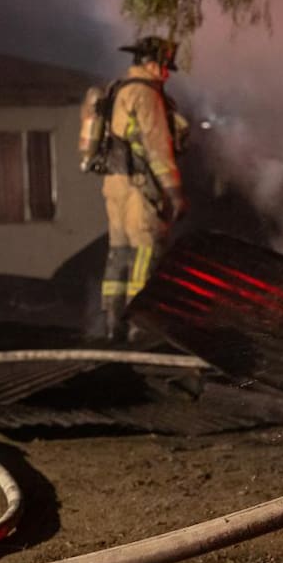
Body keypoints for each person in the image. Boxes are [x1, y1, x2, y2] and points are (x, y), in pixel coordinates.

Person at [99, 36, 189, 342]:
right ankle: (140, 324)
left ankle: (113, 323)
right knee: (146, 251)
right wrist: (175, 193)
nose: (166, 75)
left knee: (120, 251)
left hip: (115, 185)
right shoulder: (146, 94)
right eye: (165, 68)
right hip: (140, 187)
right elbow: (157, 149)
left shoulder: (117, 89)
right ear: (153, 63)